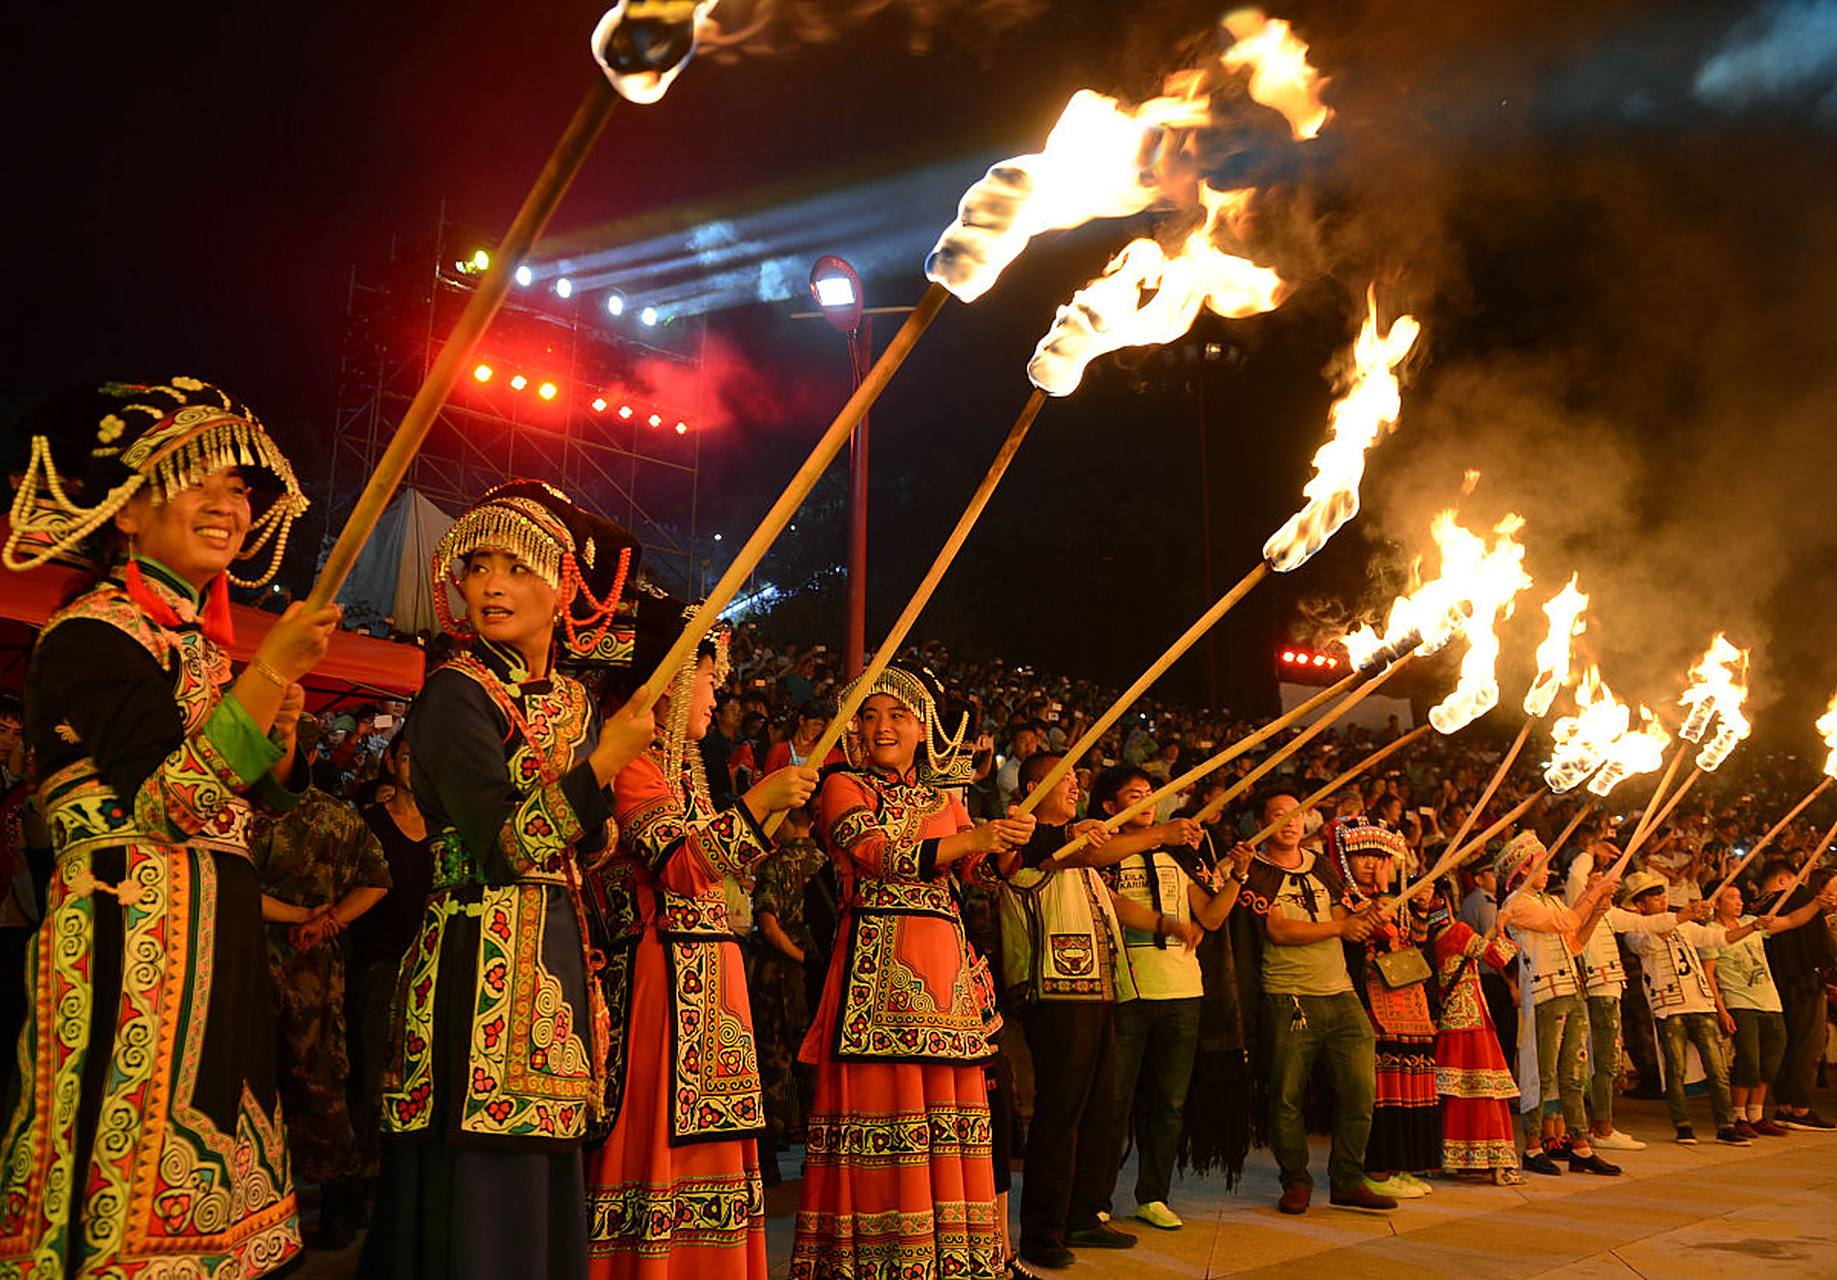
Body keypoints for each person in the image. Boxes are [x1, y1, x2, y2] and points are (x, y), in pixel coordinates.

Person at [0, 377, 332, 1275]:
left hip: (210, 934)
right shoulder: (88, 636)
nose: (228, 506)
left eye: (238, 489)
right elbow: (166, 800)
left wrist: (279, 724)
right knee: (122, 1174)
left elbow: (255, 800)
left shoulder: (194, 645)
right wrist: (261, 683)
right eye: (195, 480)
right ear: (127, 515)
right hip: (127, 943)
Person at [361, 481, 654, 1280]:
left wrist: (589, 794)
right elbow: (505, 844)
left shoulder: (573, 701)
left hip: (555, 949)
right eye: (477, 567)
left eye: (516, 569)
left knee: (544, 1146)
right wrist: (599, 772)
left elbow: (595, 845)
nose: (490, 586)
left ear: (562, 583)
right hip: (473, 949)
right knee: (482, 1164)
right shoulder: (455, 692)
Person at [585, 589, 817, 1280]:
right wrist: (761, 801)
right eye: (709, 679)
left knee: (715, 1142)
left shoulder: (682, 773)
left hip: (710, 976)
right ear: (672, 682)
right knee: (663, 1139)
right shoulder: (629, 762)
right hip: (661, 975)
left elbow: (716, 862)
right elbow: (680, 869)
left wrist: (764, 812)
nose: (716, 696)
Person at [791, 665, 1034, 1280]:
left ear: (924, 728)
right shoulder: (842, 786)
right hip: (877, 967)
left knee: (947, 1110)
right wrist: (971, 838)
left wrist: (1018, 840)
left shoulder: (943, 799)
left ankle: (950, 1259)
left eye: (896, 715)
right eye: (868, 716)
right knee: (886, 1104)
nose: (880, 727)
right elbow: (879, 855)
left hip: (944, 975)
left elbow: (980, 869)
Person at [1001, 754, 1231, 1267]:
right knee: (1060, 1114)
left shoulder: (1088, 844)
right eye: (1062, 779)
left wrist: (1164, 922)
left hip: (1100, 990)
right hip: (1055, 991)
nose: (1074, 785)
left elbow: (1107, 891)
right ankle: (1042, 1232)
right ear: (1034, 787)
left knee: (1100, 1112)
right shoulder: (1024, 839)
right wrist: (1157, 835)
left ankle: (1084, 1213)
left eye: (1075, 779)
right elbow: (1080, 859)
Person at [1088, 765, 1241, 1233]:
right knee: (1114, 1101)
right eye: (1133, 794)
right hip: (1128, 991)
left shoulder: (1176, 856)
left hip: (1183, 991)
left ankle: (1152, 1195)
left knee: (1169, 1103)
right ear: (1111, 808)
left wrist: (1237, 876)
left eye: (1150, 792)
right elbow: (1106, 893)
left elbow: (1210, 918)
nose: (1146, 799)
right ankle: (1095, 1197)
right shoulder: (1104, 850)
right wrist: (1158, 834)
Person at [1237, 791, 1394, 1215]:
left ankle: (1347, 1178)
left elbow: (1349, 912)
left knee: (1361, 1092)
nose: (1289, 822)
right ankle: (1296, 1180)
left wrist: (1367, 916)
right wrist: (1338, 928)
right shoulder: (1254, 872)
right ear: (1261, 822)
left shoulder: (1323, 866)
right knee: (1287, 1096)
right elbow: (1280, 932)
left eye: (1296, 814)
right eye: (1277, 815)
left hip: (1340, 993)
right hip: (1289, 996)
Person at [251, 776, 392, 1249]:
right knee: (319, 1085)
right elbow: (377, 879)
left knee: (261, 1086)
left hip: (249, 958)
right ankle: (339, 1207)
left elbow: (228, 887)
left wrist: (314, 920)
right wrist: (325, 920)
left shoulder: (233, 809)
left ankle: (268, 1207)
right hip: (311, 966)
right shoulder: (339, 816)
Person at [1618, 868, 1831, 1145]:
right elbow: (1651, 940)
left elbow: (1720, 939)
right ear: (1640, 905)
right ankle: (1684, 1125)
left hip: (1701, 1001)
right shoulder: (1636, 932)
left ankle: (1727, 1124)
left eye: (1661, 893)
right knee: (1678, 1070)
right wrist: (1686, 914)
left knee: (1719, 1069)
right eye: (1652, 896)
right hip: (1670, 1007)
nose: (1660, 898)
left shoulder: (1687, 926)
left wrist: (1752, 926)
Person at [1329, 818, 1441, 1200]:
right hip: (1371, 1001)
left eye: (1379, 856)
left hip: (1408, 1001)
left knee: (1413, 1085)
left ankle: (1402, 1164)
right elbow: (1360, 936)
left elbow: (1418, 943)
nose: (1371, 864)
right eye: (1362, 856)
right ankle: (1375, 1168)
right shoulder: (1343, 901)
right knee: (1382, 1090)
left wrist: (1421, 908)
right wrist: (1378, 910)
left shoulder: (1394, 900)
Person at [348, 735, 433, 1224]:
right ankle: (355, 1176)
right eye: (405, 756)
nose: (413, 766)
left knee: (414, 1074)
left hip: (426, 962)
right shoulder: (369, 824)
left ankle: (393, 1176)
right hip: (377, 960)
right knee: (365, 1072)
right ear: (390, 761)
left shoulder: (446, 826)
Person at [751, 804, 829, 1184]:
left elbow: (766, 925)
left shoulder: (771, 865)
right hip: (818, 975)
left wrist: (793, 954)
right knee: (816, 1067)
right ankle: (819, 1158)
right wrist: (812, 959)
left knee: (773, 1064)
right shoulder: (829, 866)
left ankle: (766, 1164)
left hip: (777, 977)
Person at [1424, 890, 1520, 1183]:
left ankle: (1442, 1157)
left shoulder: (1428, 939)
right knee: (1483, 1091)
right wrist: (1502, 926)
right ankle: (1492, 1160)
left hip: (1447, 1023)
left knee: (1451, 1094)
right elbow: (1497, 956)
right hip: (1472, 1020)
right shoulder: (1458, 932)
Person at [1705, 883, 1795, 1138]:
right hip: (1740, 1002)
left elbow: (1790, 920)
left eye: (1740, 897)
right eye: (1731, 897)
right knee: (1748, 1060)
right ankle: (1738, 1114)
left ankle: (1756, 1113)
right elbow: (1709, 973)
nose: (1739, 902)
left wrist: (1816, 905)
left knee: (1770, 1060)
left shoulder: (1751, 922)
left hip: (1770, 1001)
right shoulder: (1712, 932)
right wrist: (1721, 1009)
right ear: (1717, 902)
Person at [1756, 860, 1837, 1130]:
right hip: (1802, 982)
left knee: (1788, 1046)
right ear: (1785, 880)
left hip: (1773, 984)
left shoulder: (1755, 905)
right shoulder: (1799, 899)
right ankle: (1798, 1108)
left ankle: (1785, 1105)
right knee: (1807, 1047)